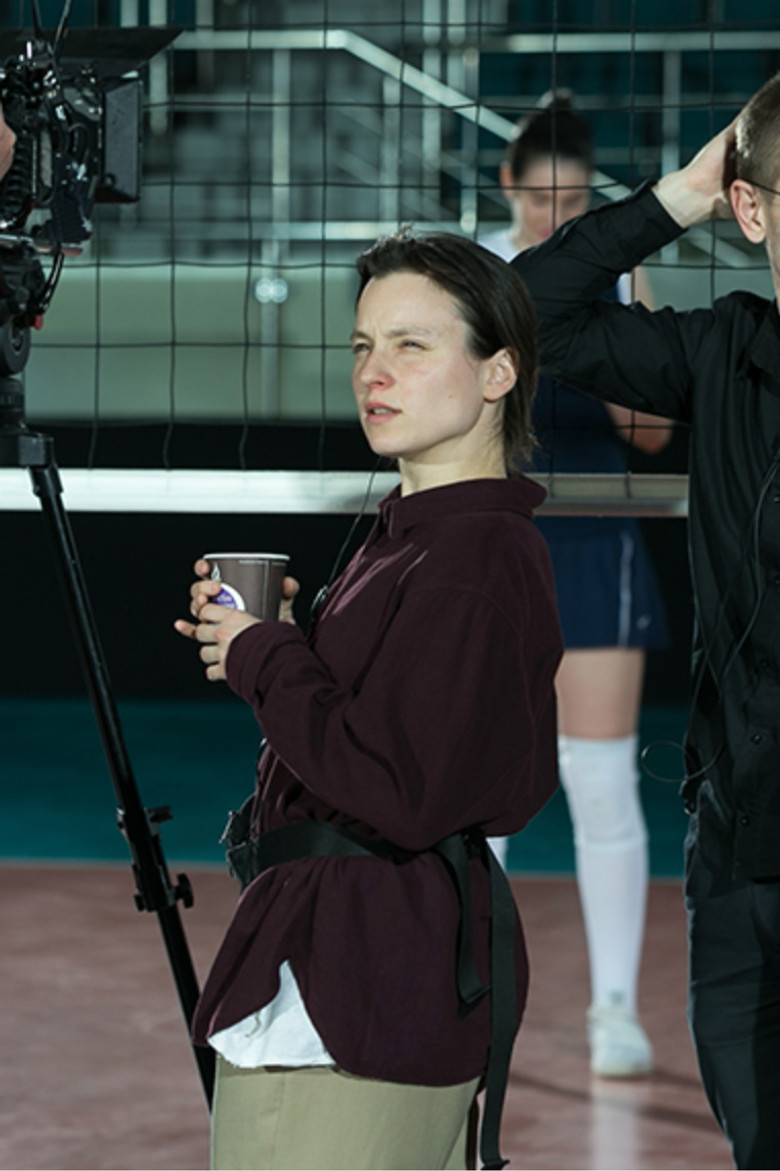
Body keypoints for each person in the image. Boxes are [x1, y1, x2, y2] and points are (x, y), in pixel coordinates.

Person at [175, 230, 563, 1170]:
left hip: (357, 985)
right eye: (362, 345)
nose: (372, 372)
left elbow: (399, 787)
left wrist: (267, 656)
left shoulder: (468, 557)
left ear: (498, 371)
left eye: (411, 345)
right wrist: (278, 648)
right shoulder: (419, 539)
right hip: (360, 967)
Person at [513, 73, 780, 1170]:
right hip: (742, 838)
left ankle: (613, 999)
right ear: (752, 208)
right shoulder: (726, 352)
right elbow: (531, 306)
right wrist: (674, 199)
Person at [480, 92, 672, 1079]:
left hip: (596, 536)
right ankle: (475, 1004)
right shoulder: (471, 272)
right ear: (507, 184)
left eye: (574, 200)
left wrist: (599, 321)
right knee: (483, 793)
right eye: (540, 196)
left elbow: (654, 436)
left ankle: (614, 1007)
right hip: (493, 543)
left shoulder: (617, 273)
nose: (556, 215)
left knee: (599, 782)